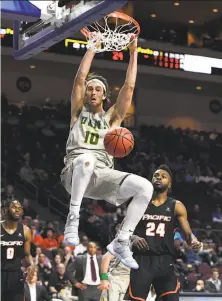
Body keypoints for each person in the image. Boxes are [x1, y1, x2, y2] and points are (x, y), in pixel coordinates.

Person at [60, 38, 153, 269]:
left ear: (104, 95)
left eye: (97, 89)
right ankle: (73, 218)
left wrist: (133, 52)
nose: (92, 91)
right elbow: (79, 78)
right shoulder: (77, 112)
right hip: (74, 172)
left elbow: (129, 87)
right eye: (90, 89)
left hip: (101, 175)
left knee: (145, 188)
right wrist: (93, 46)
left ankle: (122, 240)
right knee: (87, 159)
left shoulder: (112, 119)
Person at [128, 165, 203, 301]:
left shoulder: (176, 205)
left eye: (163, 177)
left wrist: (194, 242)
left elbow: (188, 234)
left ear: (169, 184)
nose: (159, 178)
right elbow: (122, 230)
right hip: (141, 260)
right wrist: (134, 238)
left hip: (165, 261)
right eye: (156, 175)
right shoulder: (140, 202)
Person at [1, 199, 33, 301]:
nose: (17, 210)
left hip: (16, 274)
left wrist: (32, 265)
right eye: (14, 207)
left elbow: (27, 254)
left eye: (19, 208)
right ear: (5, 210)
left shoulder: (26, 231)